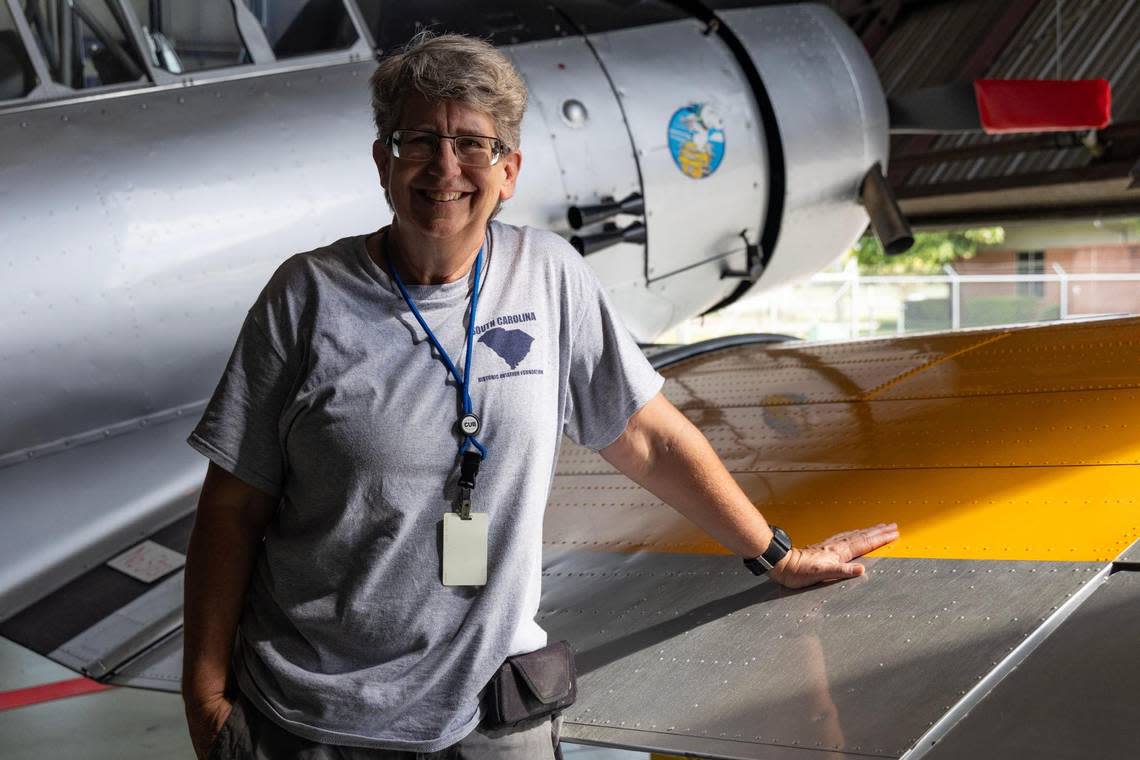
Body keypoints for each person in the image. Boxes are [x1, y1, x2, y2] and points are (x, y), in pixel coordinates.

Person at [181, 31, 898, 760]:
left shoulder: (549, 277)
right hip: (315, 722)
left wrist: (774, 554)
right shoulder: (305, 297)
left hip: (493, 716)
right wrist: (203, 697)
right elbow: (232, 508)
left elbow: (647, 437)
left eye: (474, 145)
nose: (446, 167)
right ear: (382, 162)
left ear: (510, 170)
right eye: (420, 140)